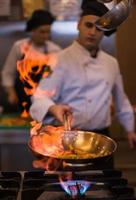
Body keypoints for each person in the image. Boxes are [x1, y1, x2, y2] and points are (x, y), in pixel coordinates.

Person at [30, 1, 136, 168]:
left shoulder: (111, 63)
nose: (93, 32)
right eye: (88, 25)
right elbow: (39, 97)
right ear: (79, 25)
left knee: (106, 188)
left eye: (99, 28)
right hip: (70, 141)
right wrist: (53, 108)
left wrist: (130, 129)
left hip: (101, 141)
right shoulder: (59, 59)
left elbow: (121, 100)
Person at [1, 9, 61, 113]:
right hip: (21, 97)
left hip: (45, 100)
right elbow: (7, 72)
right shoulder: (19, 46)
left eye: (48, 32)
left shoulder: (55, 50)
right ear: (33, 30)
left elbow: (57, 77)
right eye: (42, 32)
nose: (45, 36)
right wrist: (11, 93)